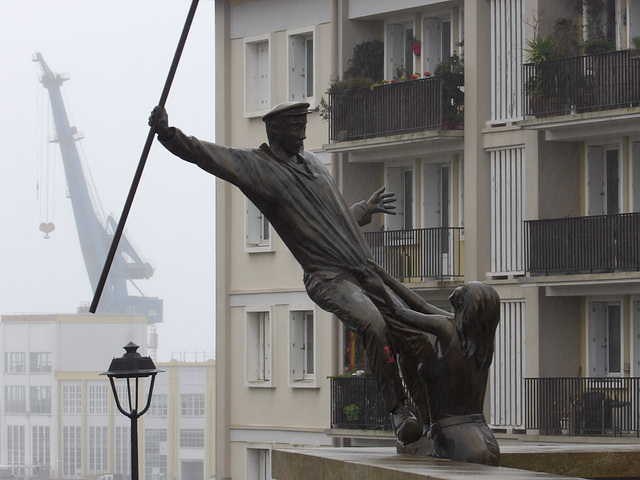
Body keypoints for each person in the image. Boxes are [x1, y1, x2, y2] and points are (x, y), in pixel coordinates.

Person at [149, 101, 423, 445]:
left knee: (413, 328)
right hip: (328, 278)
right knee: (374, 324)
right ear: (276, 130)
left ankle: (430, 413)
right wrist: (168, 135)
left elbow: (333, 217)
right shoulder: (259, 168)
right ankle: (399, 411)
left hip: (360, 267)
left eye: (304, 127)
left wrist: (362, 210)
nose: (303, 134)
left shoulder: (313, 164)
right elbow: (209, 155)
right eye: (296, 129)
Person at [368, 263, 501, 465]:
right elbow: (421, 305)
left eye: (462, 292)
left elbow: (400, 312)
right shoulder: (481, 343)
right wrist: (384, 275)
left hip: (453, 436)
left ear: (467, 304)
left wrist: (379, 287)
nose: (457, 291)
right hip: (484, 436)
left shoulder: (447, 329)